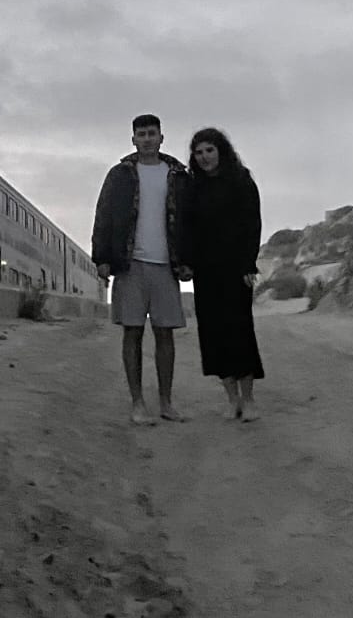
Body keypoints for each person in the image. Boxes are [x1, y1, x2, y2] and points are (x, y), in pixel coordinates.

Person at [92, 114, 192, 425]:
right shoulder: (120, 174)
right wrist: (102, 258)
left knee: (165, 336)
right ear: (133, 139)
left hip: (166, 265)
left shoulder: (178, 175)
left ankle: (165, 402)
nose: (147, 139)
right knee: (132, 333)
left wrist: (189, 260)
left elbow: (190, 222)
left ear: (162, 138)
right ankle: (137, 403)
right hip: (129, 264)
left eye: (152, 134)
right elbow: (103, 214)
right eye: (141, 134)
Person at [185, 127, 264, 421]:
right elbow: (188, 230)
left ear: (222, 150)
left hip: (236, 269)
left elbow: (252, 226)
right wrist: (187, 262)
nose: (205, 157)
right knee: (213, 335)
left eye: (210, 150)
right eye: (199, 152)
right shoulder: (193, 188)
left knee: (240, 331)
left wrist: (248, 265)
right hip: (206, 272)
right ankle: (231, 400)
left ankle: (249, 399)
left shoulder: (241, 181)